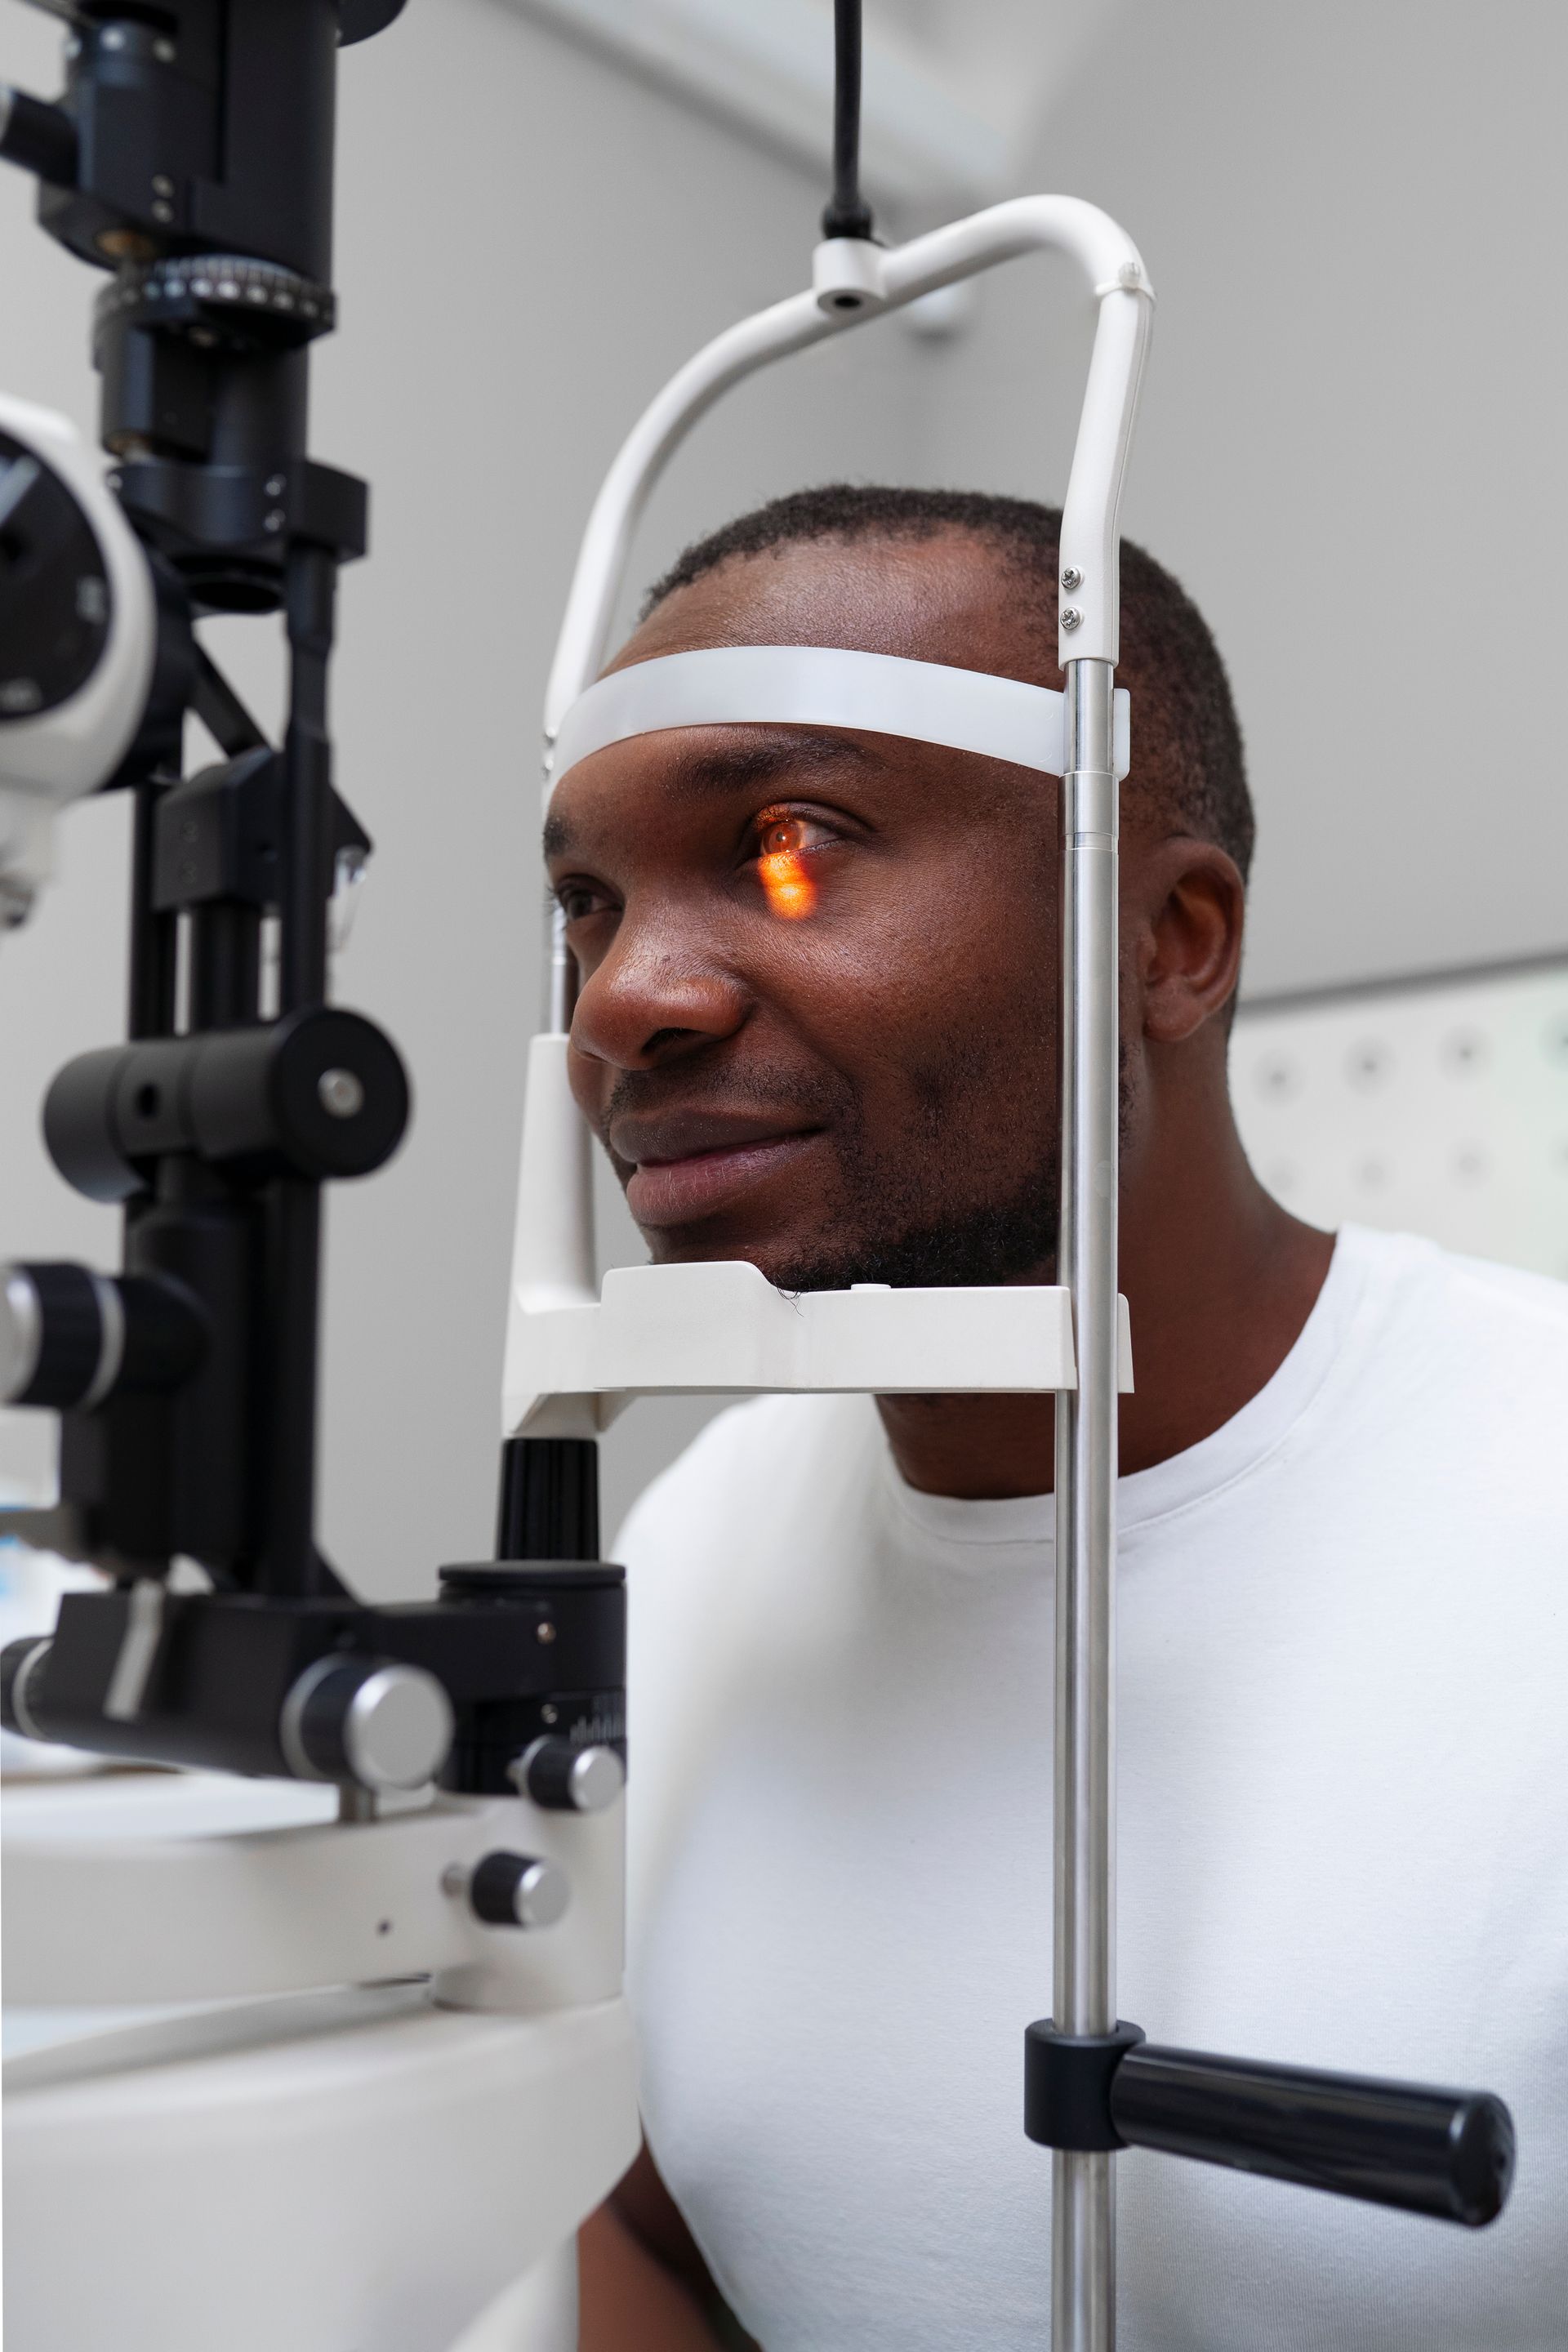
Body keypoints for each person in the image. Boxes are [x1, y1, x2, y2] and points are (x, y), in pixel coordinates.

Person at [550, 487, 1568, 2351]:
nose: (626, 999)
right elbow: (656, 2221)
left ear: (1173, 942)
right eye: (587, 904)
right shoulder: (699, 1538)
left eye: (788, 848)